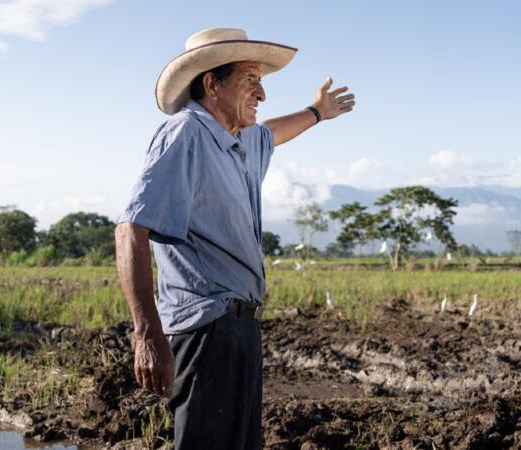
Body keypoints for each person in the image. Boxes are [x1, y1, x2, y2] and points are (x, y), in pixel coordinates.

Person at [115, 27, 354, 449]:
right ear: (212, 83)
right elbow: (131, 227)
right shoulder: (186, 133)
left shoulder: (238, 141)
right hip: (206, 329)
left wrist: (317, 112)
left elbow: (274, 133)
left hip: (241, 328)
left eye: (260, 81)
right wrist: (147, 334)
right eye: (250, 80)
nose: (261, 94)